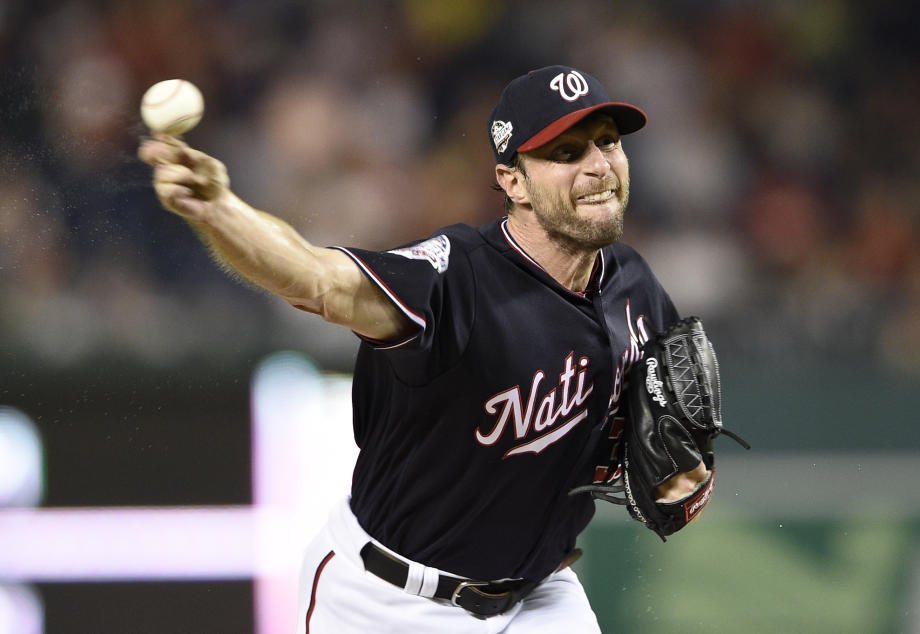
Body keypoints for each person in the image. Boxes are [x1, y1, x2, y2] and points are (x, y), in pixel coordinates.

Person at [139, 65, 707, 633]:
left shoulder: (633, 285)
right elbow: (316, 279)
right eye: (566, 153)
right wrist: (219, 210)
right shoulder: (455, 278)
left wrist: (679, 474)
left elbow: (664, 439)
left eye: (608, 142)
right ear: (513, 182)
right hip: (389, 601)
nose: (598, 165)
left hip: (538, 598)